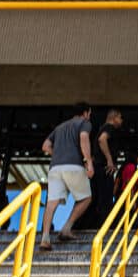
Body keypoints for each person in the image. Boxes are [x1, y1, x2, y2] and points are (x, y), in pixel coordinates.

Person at [39, 103, 94, 250]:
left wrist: (57, 155)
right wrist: (89, 162)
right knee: (86, 198)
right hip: (74, 165)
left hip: (55, 168)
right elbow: (84, 138)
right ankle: (67, 227)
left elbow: (45, 146)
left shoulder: (60, 127)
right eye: (90, 113)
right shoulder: (84, 123)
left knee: (52, 202)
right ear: (86, 113)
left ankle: (45, 238)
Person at [85, 108, 121, 228]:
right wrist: (109, 160)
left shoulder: (100, 129)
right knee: (105, 198)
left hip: (97, 168)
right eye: (120, 118)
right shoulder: (109, 128)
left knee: (96, 197)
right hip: (105, 169)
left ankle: (93, 225)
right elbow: (102, 140)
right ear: (114, 117)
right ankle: (104, 226)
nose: (121, 121)